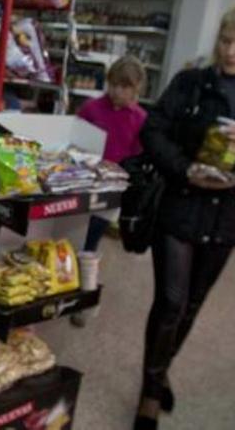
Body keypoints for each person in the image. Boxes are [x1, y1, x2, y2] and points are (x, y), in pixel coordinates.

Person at [133, 0, 235, 430]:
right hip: (180, 205)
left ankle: (160, 372)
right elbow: (152, 129)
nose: (231, 50)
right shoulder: (189, 82)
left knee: (192, 305)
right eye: (226, 39)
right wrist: (185, 169)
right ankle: (149, 392)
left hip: (227, 216)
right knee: (170, 301)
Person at [70, 56, 148, 328]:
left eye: (126, 87)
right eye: (114, 85)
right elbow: (74, 140)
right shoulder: (91, 108)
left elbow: (138, 159)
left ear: (137, 89)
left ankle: (86, 298)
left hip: (111, 192)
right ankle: (66, 287)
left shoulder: (140, 119)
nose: (118, 92)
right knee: (72, 236)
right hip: (82, 184)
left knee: (91, 242)